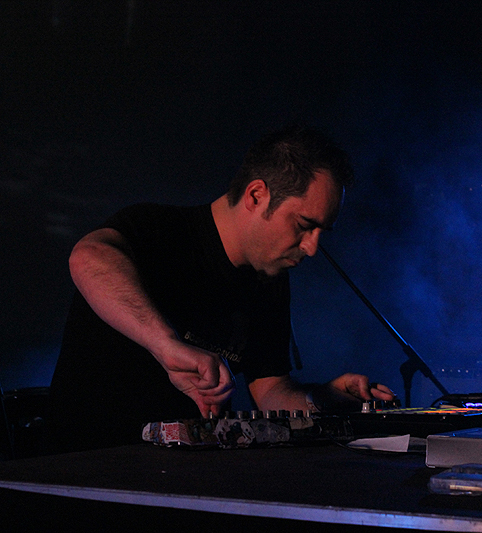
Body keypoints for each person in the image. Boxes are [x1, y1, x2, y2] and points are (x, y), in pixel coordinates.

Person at [45, 125, 394, 453]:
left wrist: (323, 398)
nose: (312, 247)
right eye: (304, 225)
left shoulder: (269, 280)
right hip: (86, 461)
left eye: (320, 233)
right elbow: (88, 256)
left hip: (179, 475)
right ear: (256, 195)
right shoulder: (157, 228)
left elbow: (270, 391)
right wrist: (166, 345)